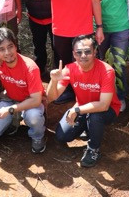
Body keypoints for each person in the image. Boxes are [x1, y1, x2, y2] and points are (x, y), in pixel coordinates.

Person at [32, 0, 104, 104]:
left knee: (85, 61)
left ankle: (85, 92)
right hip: (61, 29)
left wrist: (99, 26)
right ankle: (67, 91)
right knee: (63, 63)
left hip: (84, 28)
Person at [47, 34, 121, 167]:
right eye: (78, 52)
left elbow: (104, 105)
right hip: (83, 107)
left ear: (94, 52)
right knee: (62, 136)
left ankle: (93, 149)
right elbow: (52, 97)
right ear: (74, 54)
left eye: (87, 52)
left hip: (108, 110)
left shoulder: (106, 71)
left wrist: (76, 109)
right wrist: (53, 81)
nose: (83, 55)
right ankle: (87, 127)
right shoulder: (70, 69)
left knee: (95, 116)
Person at [0, 28, 46, 153]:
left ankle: (37, 136)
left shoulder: (30, 67)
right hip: (10, 99)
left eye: (10, 47)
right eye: (1, 49)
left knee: (33, 117)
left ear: (16, 46)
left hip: (29, 102)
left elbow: (36, 100)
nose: (7, 52)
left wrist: (9, 110)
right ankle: (13, 121)